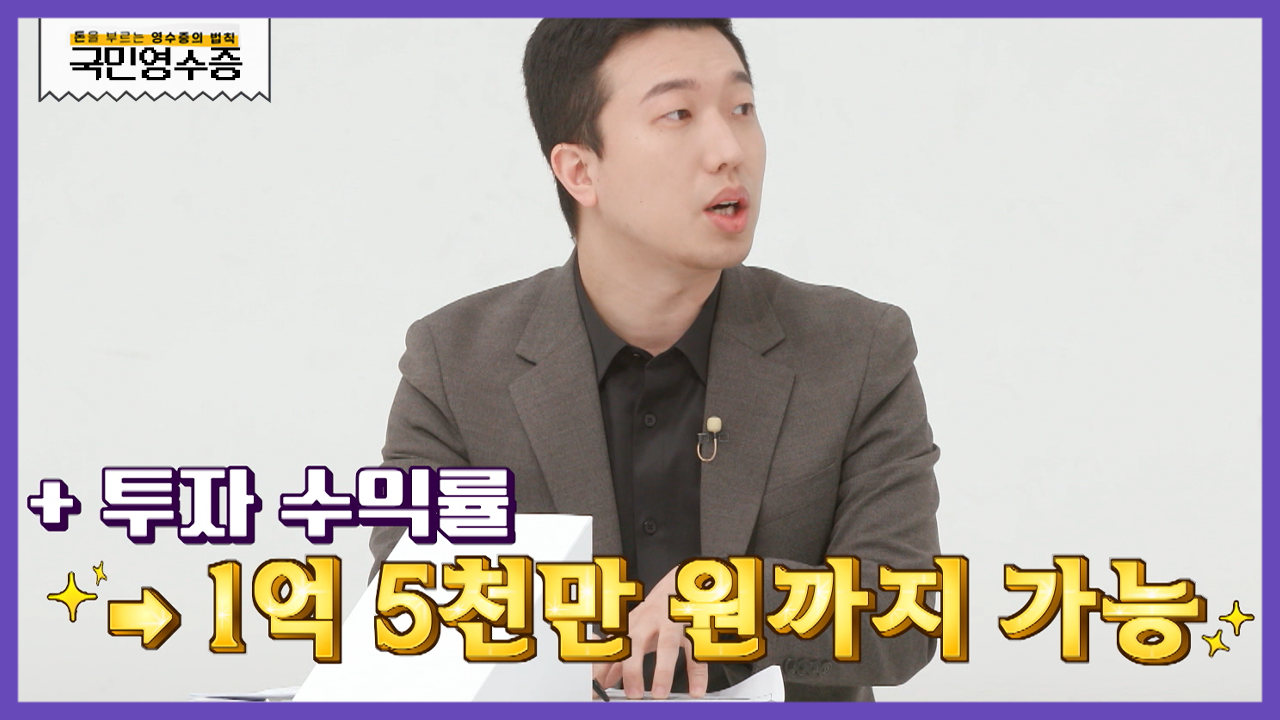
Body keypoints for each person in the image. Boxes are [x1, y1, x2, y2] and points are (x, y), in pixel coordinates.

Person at [369, 18, 941, 702]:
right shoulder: (456, 364)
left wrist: (725, 601)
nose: (729, 150)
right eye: (678, 114)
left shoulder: (857, 347)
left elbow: (904, 617)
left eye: (742, 108)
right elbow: (409, 618)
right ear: (580, 171)